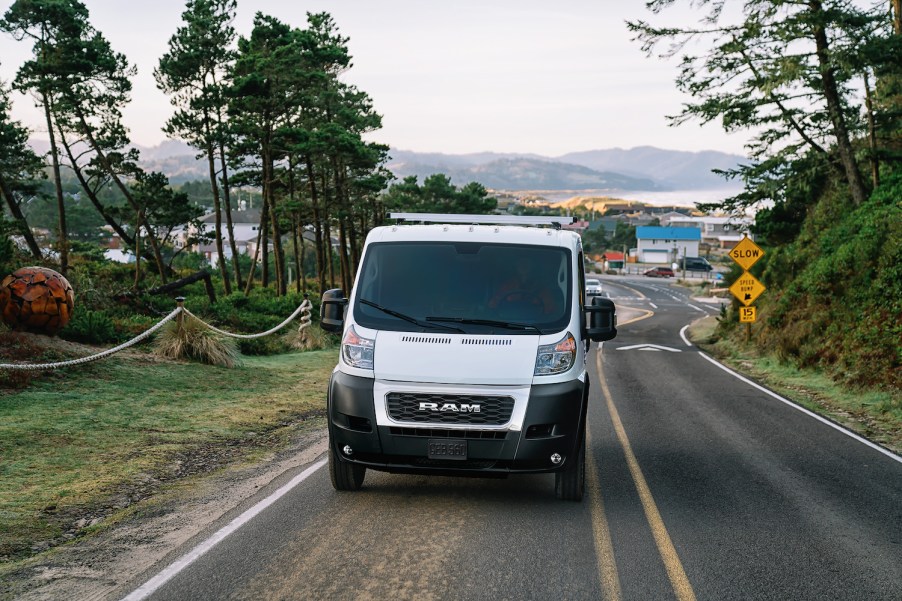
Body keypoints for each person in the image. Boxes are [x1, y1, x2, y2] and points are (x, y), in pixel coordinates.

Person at [488, 257, 560, 315]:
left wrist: (534, 307)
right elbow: (493, 304)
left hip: (534, 324)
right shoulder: (507, 286)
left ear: (533, 266)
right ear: (516, 265)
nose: (523, 265)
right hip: (508, 321)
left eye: (527, 262)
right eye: (520, 262)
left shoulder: (541, 287)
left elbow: (550, 308)